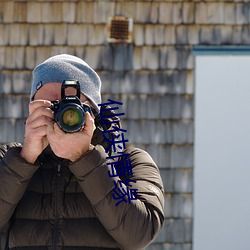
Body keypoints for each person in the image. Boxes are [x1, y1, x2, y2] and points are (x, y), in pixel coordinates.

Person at [0, 54, 164, 250]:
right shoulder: (9, 160)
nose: (59, 116)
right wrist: (24, 160)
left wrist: (85, 158)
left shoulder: (128, 162)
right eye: (48, 106)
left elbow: (138, 235)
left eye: (69, 107)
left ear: (93, 111)